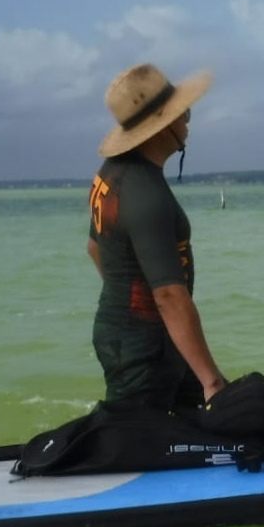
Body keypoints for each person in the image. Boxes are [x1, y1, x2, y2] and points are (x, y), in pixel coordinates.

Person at [87, 63, 228, 411]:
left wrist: (130, 301)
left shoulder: (112, 175)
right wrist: (212, 381)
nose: (189, 120)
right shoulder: (146, 194)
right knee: (140, 440)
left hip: (139, 334)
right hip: (144, 349)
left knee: (187, 429)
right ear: (163, 125)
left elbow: (94, 248)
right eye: (184, 112)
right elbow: (167, 293)